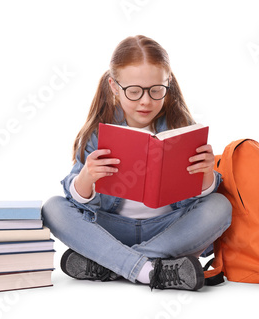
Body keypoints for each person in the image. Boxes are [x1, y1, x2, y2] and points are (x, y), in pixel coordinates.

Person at [42, 35, 232, 291]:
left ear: (169, 83)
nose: (145, 101)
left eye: (156, 90)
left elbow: (195, 202)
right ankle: (152, 270)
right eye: (134, 91)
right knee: (53, 207)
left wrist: (207, 175)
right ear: (114, 86)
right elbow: (77, 202)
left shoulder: (181, 129)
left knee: (220, 205)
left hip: (168, 231)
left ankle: (113, 264)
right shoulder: (97, 134)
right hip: (111, 230)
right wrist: (87, 177)